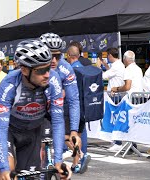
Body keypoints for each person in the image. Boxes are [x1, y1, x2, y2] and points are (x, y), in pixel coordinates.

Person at [0, 40, 72, 180]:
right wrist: (3, 167)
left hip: (33, 130)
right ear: (24, 70)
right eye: (40, 71)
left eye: (48, 69)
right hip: (9, 129)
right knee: (5, 173)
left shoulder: (53, 80)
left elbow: (58, 121)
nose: (47, 74)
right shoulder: (9, 84)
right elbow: (1, 127)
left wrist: (58, 161)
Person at [40, 33, 89, 174]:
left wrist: (74, 130)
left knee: (58, 140)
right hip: (35, 108)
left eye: (58, 55)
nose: (54, 60)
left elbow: (74, 100)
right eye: (50, 56)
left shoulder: (66, 68)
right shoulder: (34, 67)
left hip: (55, 108)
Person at [65, 44, 92, 173]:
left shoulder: (70, 70)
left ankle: (81, 154)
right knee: (77, 137)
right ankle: (76, 165)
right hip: (83, 107)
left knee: (64, 137)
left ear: (69, 55)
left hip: (71, 107)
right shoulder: (85, 68)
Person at [97, 47, 125, 151]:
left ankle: (117, 143)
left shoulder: (116, 66)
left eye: (107, 56)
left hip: (115, 96)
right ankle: (116, 141)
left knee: (115, 118)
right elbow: (111, 72)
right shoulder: (118, 65)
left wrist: (98, 67)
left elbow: (103, 76)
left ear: (110, 55)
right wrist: (105, 65)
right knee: (115, 118)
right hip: (116, 95)